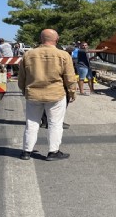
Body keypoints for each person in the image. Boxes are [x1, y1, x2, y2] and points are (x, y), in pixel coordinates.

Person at [18, 29, 78, 161]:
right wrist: (72, 92)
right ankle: (53, 151)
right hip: (55, 94)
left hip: (33, 94)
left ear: (41, 39)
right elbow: (69, 77)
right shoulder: (63, 55)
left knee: (32, 123)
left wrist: (24, 90)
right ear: (57, 39)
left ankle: (26, 151)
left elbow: (22, 77)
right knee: (55, 123)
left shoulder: (28, 54)